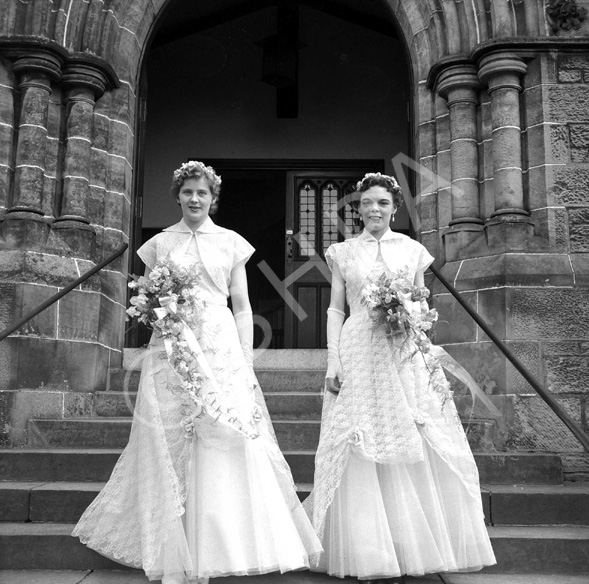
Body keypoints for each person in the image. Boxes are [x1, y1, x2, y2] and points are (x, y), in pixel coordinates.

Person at [73, 161, 322, 583]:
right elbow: (147, 299)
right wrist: (163, 320)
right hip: (171, 346)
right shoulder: (159, 245)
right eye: (187, 192)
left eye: (202, 193)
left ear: (213, 198)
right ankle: (173, 542)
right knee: (171, 431)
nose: (194, 199)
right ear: (178, 195)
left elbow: (241, 306)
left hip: (220, 344)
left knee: (223, 431)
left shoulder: (231, 243)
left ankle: (225, 542)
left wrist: (243, 357)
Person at [303, 172, 496, 581]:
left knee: (409, 434)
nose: (374, 210)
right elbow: (336, 309)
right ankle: (367, 551)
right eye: (367, 203)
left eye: (383, 203)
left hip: (401, 351)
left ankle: (407, 546)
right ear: (357, 207)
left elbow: (421, 308)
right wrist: (332, 361)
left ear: (396, 208)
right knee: (360, 438)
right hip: (358, 350)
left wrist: (423, 357)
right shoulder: (341, 252)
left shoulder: (412, 251)